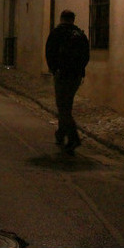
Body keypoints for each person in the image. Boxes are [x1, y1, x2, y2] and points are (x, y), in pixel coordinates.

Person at [45, 9, 90, 154]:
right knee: (67, 104)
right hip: (76, 76)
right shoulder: (80, 35)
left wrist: (54, 69)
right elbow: (86, 56)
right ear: (73, 19)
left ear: (61, 18)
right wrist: (80, 71)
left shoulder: (57, 33)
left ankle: (73, 138)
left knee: (63, 106)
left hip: (62, 75)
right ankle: (61, 133)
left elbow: (49, 52)